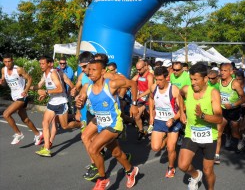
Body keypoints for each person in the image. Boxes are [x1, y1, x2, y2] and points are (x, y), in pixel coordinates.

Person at [76, 59, 139, 190]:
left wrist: (134, 105)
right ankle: (130, 170)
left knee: (93, 148)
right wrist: (79, 103)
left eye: (94, 69)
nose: (90, 72)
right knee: (117, 154)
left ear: (103, 71)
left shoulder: (112, 84)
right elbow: (81, 99)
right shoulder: (87, 87)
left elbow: (132, 83)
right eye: (89, 69)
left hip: (115, 124)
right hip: (101, 125)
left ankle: (103, 179)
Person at [178, 62, 223, 190]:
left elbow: (219, 118)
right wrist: (182, 112)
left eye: (196, 79)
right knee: (182, 165)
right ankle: (196, 175)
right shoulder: (187, 89)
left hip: (209, 136)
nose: (193, 83)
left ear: (205, 79)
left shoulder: (213, 93)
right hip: (191, 133)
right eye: (191, 79)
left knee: (208, 171)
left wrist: (203, 116)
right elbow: (179, 95)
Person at [32, 56, 80, 157]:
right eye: (40, 64)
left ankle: (81, 124)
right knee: (45, 123)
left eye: (43, 63)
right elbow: (39, 85)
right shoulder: (45, 74)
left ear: (50, 64)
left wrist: (45, 92)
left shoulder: (53, 73)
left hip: (61, 103)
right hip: (52, 103)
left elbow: (60, 89)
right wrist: (26, 87)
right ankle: (46, 148)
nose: (41, 65)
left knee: (65, 126)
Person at [0, 54, 43, 145]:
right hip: (14, 96)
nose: (7, 64)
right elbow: (4, 84)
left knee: (6, 114)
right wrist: (2, 82)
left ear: (12, 61)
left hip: (22, 96)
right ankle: (38, 134)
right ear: (3, 62)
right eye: (5, 62)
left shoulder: (18, 69)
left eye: (9, 61)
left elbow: (29, 79)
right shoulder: (3, 70)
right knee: (25, 119)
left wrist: (26, 90)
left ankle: (18, 134)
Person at [149, 66, 182, 178]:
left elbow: (183, 109)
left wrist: (173, 119)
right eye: (156, 80)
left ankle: (171, 168)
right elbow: (151, 99)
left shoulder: (174, 90)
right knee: (155, 148)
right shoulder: (153, 87)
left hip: (173, 122)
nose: (158, 82)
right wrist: (151, 115)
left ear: (167, 78)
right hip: (159, 121)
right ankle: (166, 137)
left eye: (160, 80)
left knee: (171, 148)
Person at [215, 63, 245, 164]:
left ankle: (241, 138)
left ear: (231, 72)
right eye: (221, 70)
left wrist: (232, 105)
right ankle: (216, 155)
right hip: (223, 110)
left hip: (234, 111)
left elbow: (244, 98)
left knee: (235, 133)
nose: (222, 72)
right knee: (218, 132)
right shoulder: (219, 81)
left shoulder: (235, 83)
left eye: (225, 71)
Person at [132, 60, 154, 140]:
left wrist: (139, 95)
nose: (138, 71)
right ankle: (141, 131)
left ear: (145, 67)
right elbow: (132, 81)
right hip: (142, 99)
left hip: (149, 99)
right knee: (136, 115)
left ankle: (154, 130)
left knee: (150, 117)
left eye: (140, 69)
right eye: (137, 69)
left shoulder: (149, 76)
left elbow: (150, 89)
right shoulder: (138, 75)